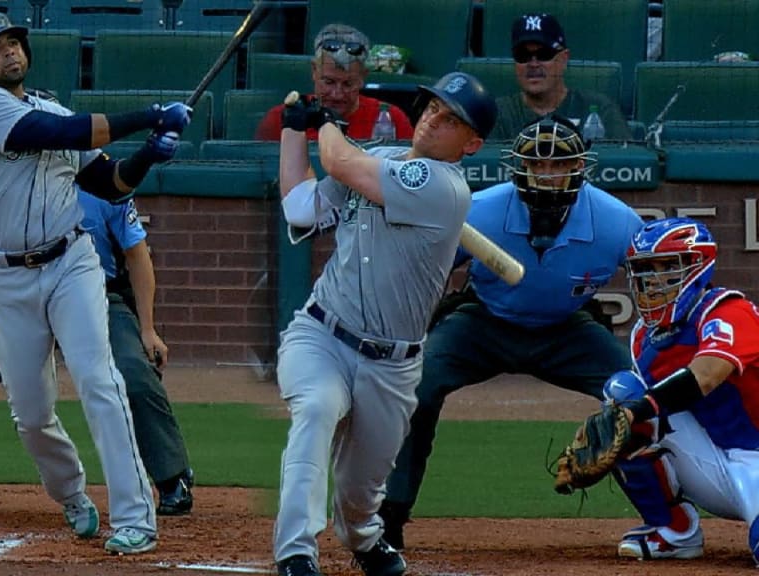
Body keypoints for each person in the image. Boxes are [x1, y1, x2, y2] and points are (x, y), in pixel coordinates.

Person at [0, 12, 191, 555]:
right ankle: (72, 493)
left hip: (70, 261)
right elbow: (57, 134)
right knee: (31, 415)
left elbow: (110, 182)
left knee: (99, 380)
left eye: (14, 42)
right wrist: (150, 114)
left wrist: (149, 153)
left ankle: (135, 517)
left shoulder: (53, 108)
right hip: (3, 278)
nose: (9, 52)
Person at [378, 115, 644, 550]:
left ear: (581, 167)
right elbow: (422, 272)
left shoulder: (617, 221)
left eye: (559, 164)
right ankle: (390, 515)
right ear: (516, 166)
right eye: (537, 165)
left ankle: (666, 517)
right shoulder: (477, 209)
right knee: (415, 387)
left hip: (567, 328)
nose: (548, 174)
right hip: (483, 321)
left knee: (639, 397)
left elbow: (656, 286)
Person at [273, 71, 497, 576]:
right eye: (434, 107)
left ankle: (364, 538)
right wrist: (293, 129)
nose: (433, 119)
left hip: (392, 364)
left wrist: (327, 123)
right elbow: (301, 206)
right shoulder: (382, 160)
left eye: (451, 118)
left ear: (472, 143)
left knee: (360, 493)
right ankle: (296, 553)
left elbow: (336, 158)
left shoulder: (443, 186)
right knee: (314, 411)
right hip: (322, 335)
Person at [0, 192, 195, 516]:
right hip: (18, 297)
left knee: (133, 373)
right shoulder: (2, 183)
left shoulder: (101, 182)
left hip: (96, 295)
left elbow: (137, 254)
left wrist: (147, 330)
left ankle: (172, 477)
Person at [598, 217, 759, 563]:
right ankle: (674, 532)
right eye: (645, 269)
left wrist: (639, 410)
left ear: (699, 267)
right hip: (715, 459)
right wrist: (623, 420)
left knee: (637, 406)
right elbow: (644, 410)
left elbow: (707, 375)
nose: (654, 280)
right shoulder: (645, 336)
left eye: (668, 266)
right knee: (621, 395)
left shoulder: (729, 311)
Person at [255, 23, 414, 142]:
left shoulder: (390, 119)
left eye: (348, 84)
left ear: (363, 77)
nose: (337, 94)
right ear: (314, 71)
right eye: (329, 82)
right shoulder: (282, 118)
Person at [488, 13, 632, 142]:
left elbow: (628, 164)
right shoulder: (497, 113)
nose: (533, 64)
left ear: (564, 59)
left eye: (544, 55)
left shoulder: (600, 109)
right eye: (522, 55)